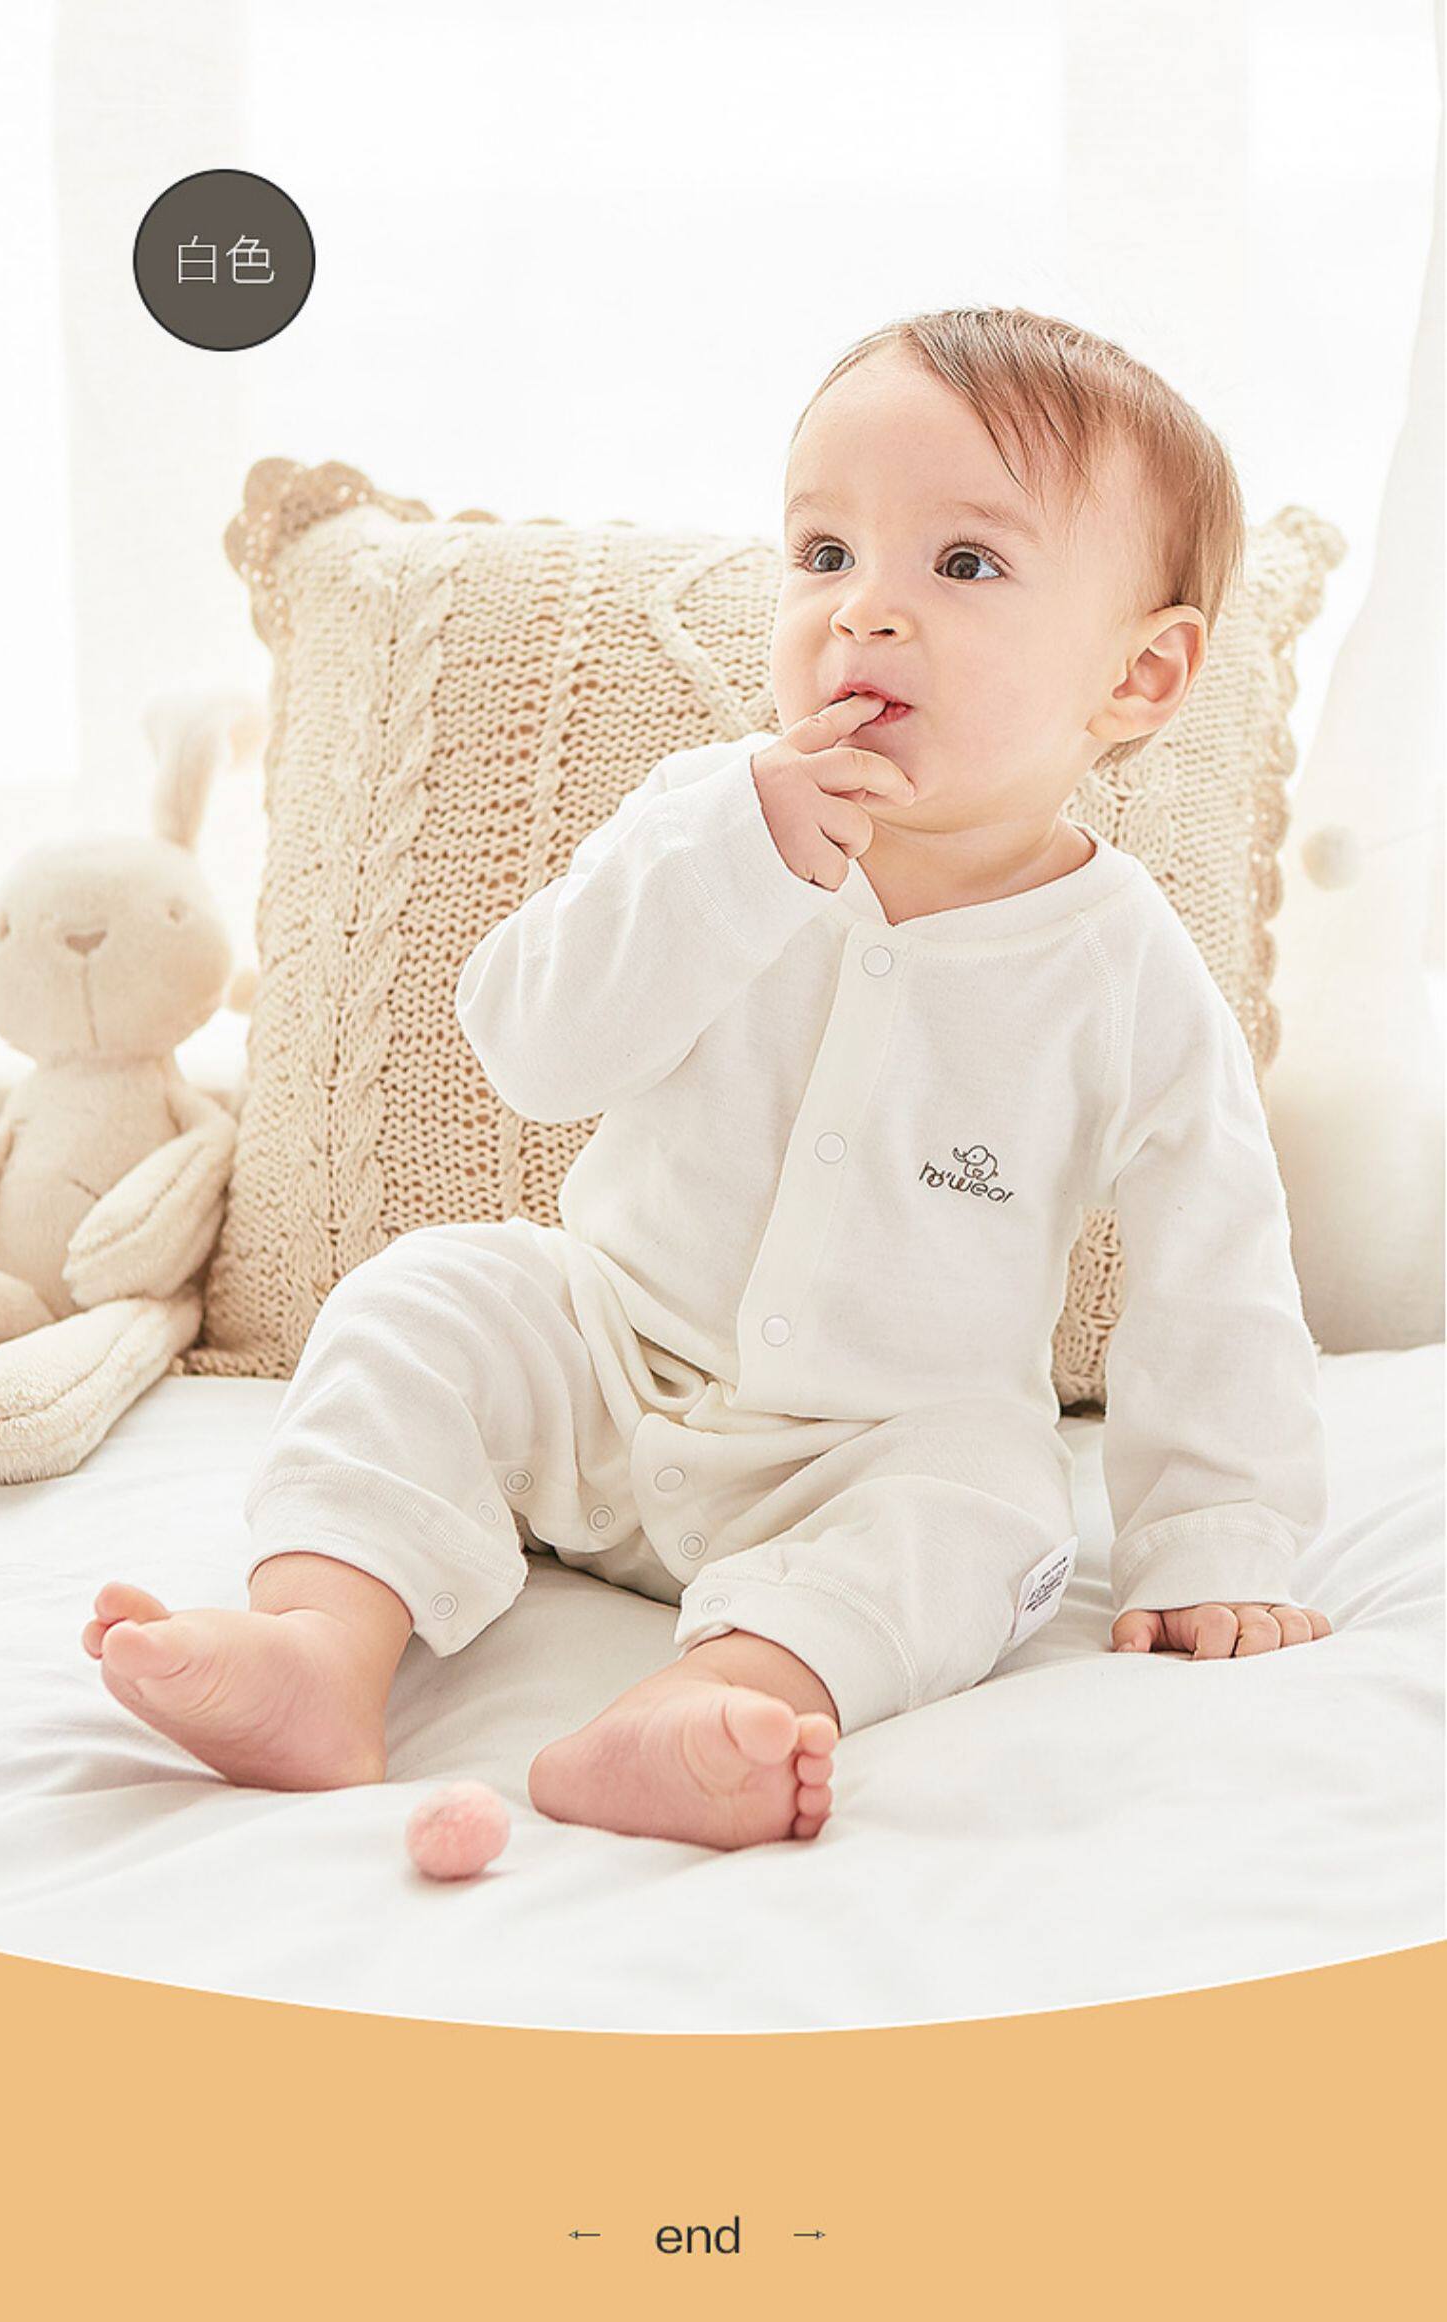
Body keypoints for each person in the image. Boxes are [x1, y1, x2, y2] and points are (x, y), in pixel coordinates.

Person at [83, 307, 1331, 1850]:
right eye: (824, 552)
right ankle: (319, 1647)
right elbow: (531, 1051)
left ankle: (724, 1696)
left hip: (878, 1442)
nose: (865, 612)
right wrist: (732, 858)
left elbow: (1219, 1261)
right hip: (609, 1366)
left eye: (964, 563)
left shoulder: (1124, 965)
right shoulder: (705, 820)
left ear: (1141, 675)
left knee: (998, 1507)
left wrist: (1216, 1533)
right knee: (426, 1296)